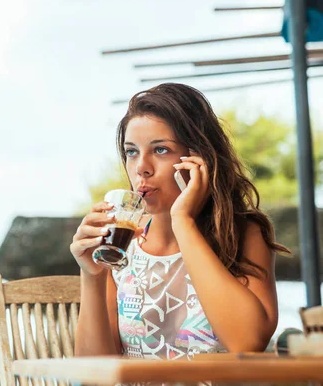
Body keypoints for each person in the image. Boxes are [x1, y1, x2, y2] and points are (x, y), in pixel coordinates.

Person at [70, 83, 291, 360]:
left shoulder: (242, 234)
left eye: (160, 150)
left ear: (199, 157)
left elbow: (247, 342)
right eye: (131, 152)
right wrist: (92, 276)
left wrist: (182, 221)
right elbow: (94, 374)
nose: (141, 167)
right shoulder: (120, 247)